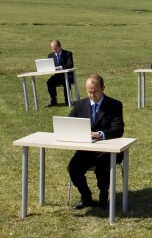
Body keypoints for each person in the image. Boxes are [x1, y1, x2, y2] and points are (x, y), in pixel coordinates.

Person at [66, 74, 125, 210]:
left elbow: (118, 129)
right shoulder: (80, 105)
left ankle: (104, 197)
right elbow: (70, 122)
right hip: (86, 149)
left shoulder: (114, 105)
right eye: (89, 92)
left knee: (103, 166)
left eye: (95, 92)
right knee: (73, 168)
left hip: (108, 149)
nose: (92, 95)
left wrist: (100, 134)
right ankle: (86, 197)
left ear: (103, 88)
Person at [46, 39, 76, 106]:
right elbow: (48, 66)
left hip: (68, 75)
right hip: (58, 76)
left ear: (59, 46)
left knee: (66, 81)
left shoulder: (68, 54)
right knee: (50, 82)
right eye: (52, 49)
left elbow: (70, 64)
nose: (54, 50)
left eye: (55, 48)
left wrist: (60, 67)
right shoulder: (50, 56)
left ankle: (67, 100)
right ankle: (53, 100)